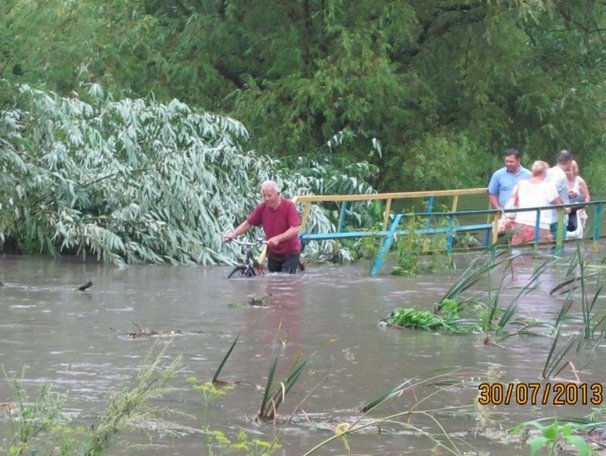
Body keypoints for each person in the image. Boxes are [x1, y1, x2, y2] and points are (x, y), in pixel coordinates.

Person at [224, 180, 302, 274]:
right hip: (273, 251)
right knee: (272, 282)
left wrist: (278, 238)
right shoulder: (262, 208)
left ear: (278, 194)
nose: (266, 198)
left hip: (290, 251)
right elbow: (248, 223)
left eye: (269, 195)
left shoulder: (289, 206)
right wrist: (233, 235)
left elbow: (295, 229)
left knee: (286, 281)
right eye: (264, 196)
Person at [510, 160, 563, 245]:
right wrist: (567, 209)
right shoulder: (548, 186)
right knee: (541, 254)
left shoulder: (521, 184)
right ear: (545, 172)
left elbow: (514, 202)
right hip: (540, 225)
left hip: (521, 223)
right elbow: (559, 205)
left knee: (518, 253)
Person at [488, 148, 531, 235]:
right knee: (500, 239)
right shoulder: (498, 174)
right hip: (504, 214)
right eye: (506, 161)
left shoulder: (528, 175)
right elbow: (491, 193)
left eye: (511, 162)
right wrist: (497, 208)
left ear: (518, 160)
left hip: (523, 215)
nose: (508, 164)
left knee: (521, 240)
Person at [545, 149, 573, 236]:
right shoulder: (561, 174)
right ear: (569, 162)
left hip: (544, 217)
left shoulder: (548, 172)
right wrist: (563, 208)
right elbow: (551, 190)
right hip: (557, 218)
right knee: (558, 248)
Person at [565, 160, 590, 239]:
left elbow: (587, 197)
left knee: (578, 237)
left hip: (579, 211)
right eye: (565, 170)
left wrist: (581, 209)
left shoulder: (579, 181)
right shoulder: (562, 180)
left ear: (574, 170)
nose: (566, 172)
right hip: (566, 212)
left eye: (568, 170)